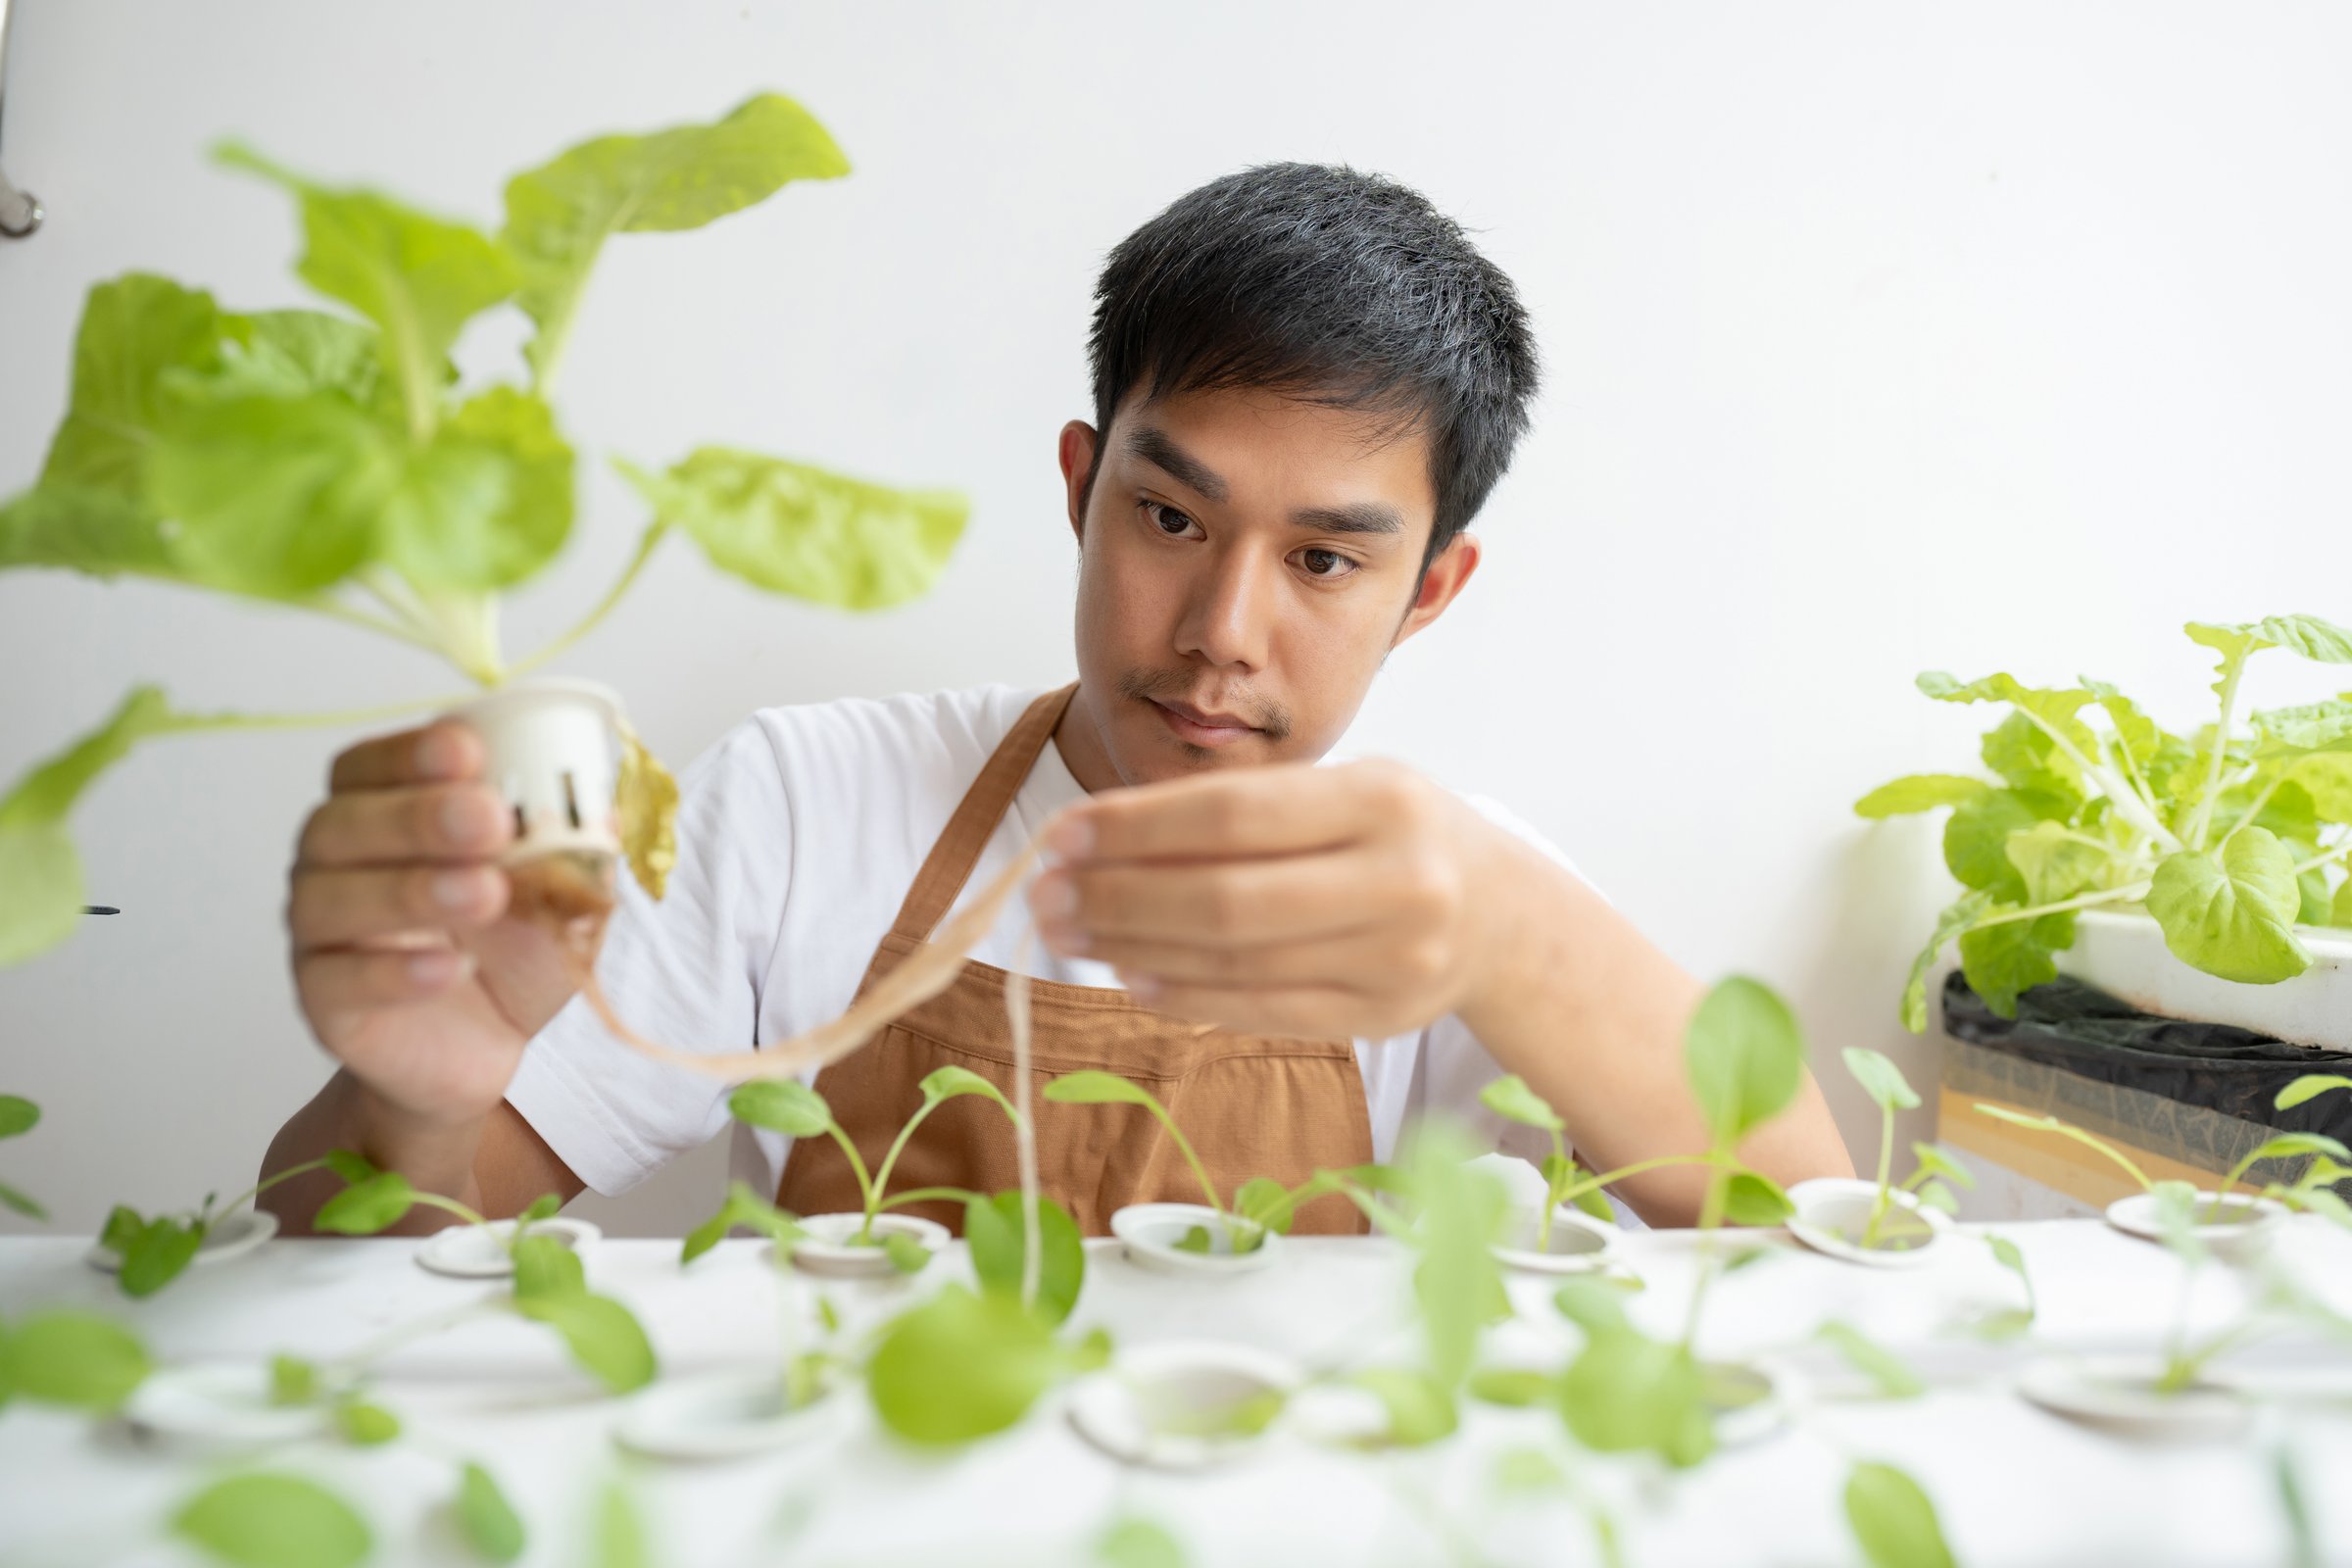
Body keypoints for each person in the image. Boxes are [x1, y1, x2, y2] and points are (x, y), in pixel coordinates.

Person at [258, 163, 1850, 1238]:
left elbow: (1816, 1225)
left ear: (1427, 590)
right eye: (1172, 519)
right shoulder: (807, 802)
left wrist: (1509, 932)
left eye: (1323, 562)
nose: (1223, 632)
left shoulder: (1455, 896)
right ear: (1083, 489)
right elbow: (357, 1233)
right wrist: (410, 1097)